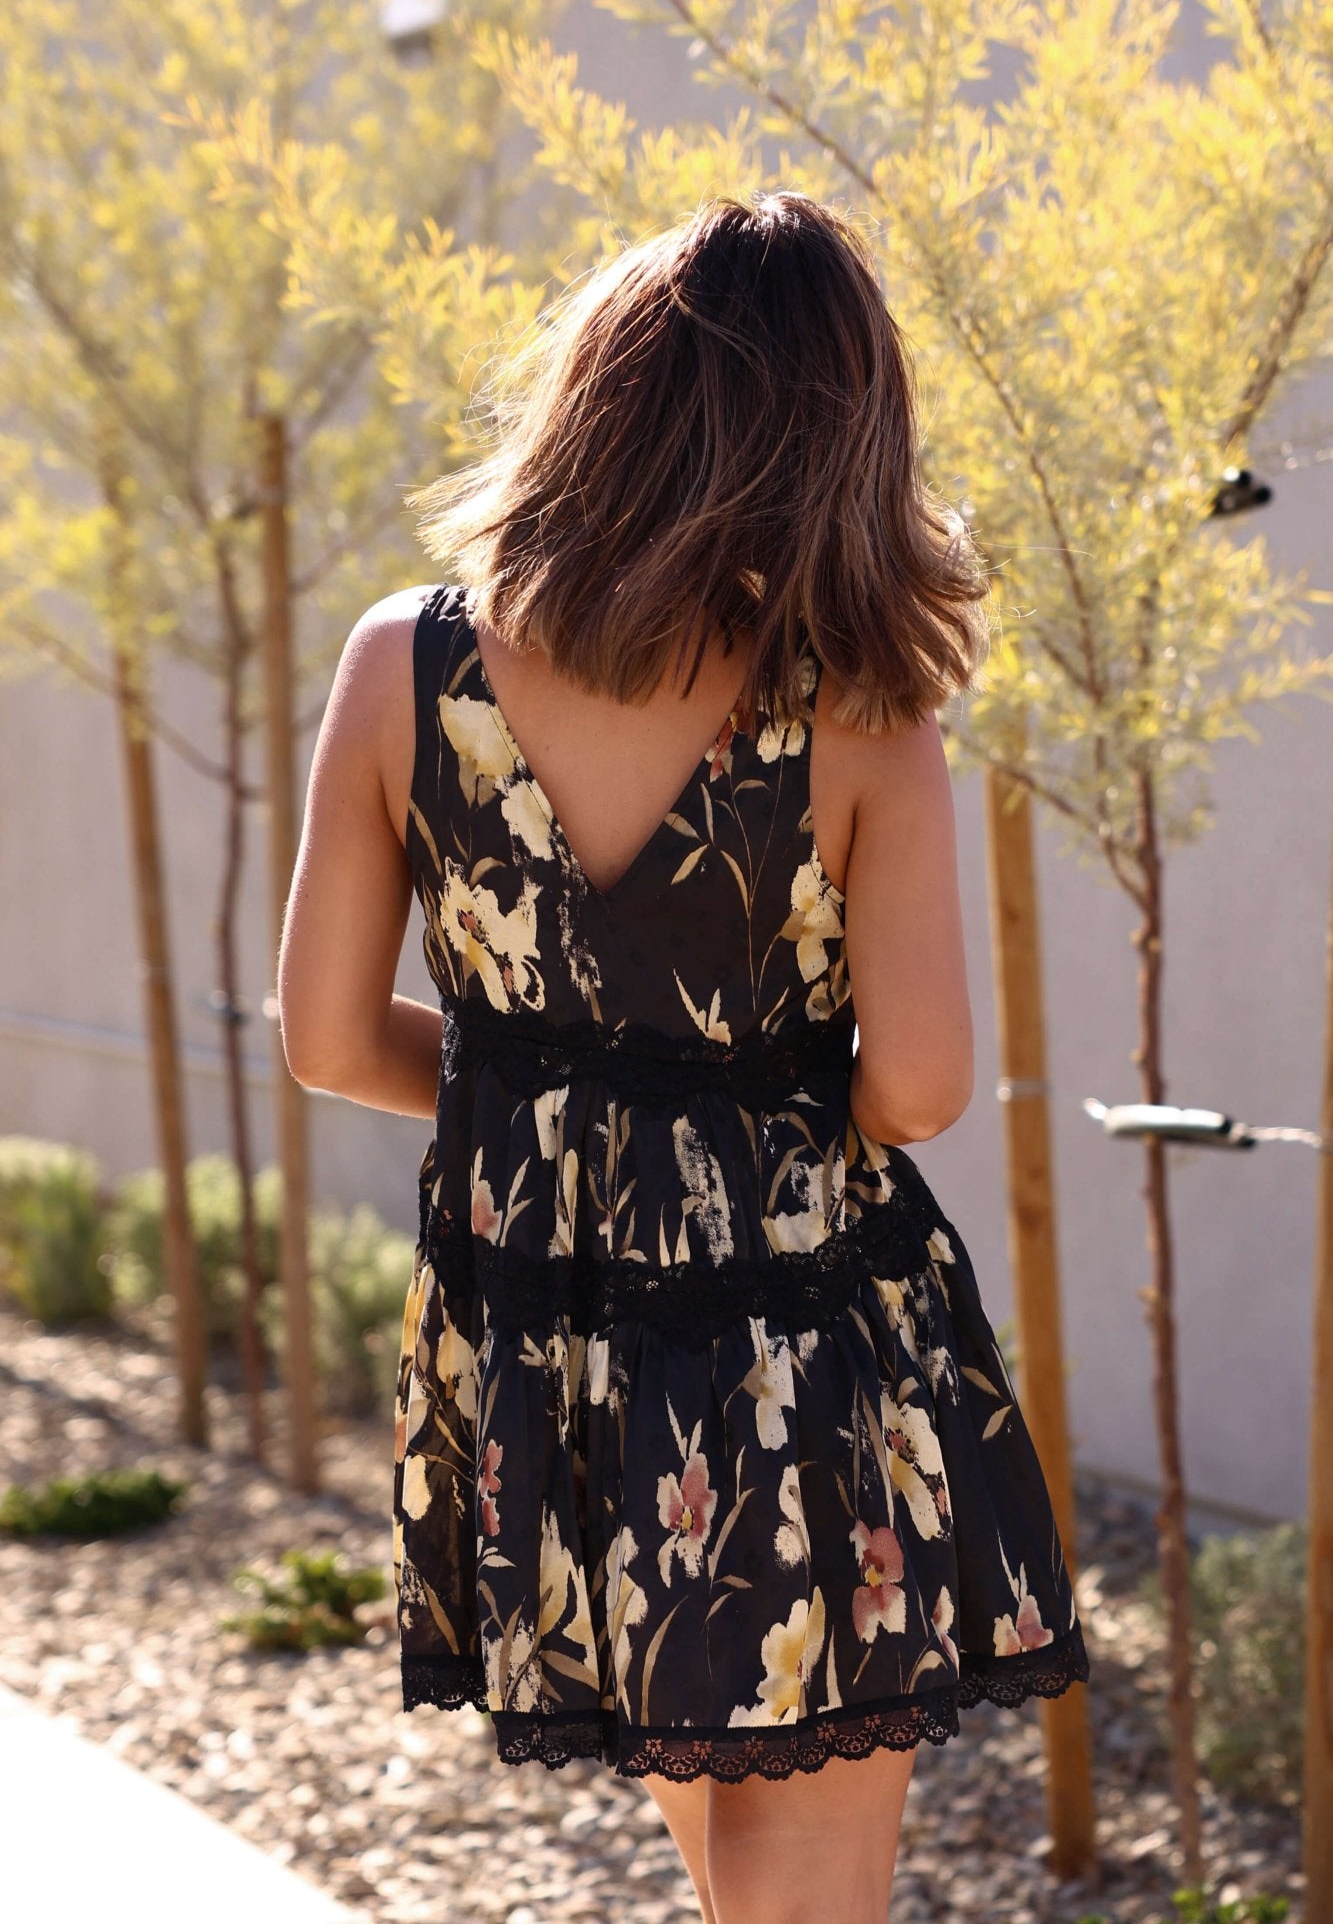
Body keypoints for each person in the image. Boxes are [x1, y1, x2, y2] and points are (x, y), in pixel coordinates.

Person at [278, 189, 1090, 1924]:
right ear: (838, 437)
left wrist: (556, 1126)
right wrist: (741, 1115)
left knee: (731, 1872)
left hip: (552, 1341)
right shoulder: (858, 708)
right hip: (799, 1341)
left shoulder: (398, 666)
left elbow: (329, 1038)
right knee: (798, 1886)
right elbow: (922, 1086)